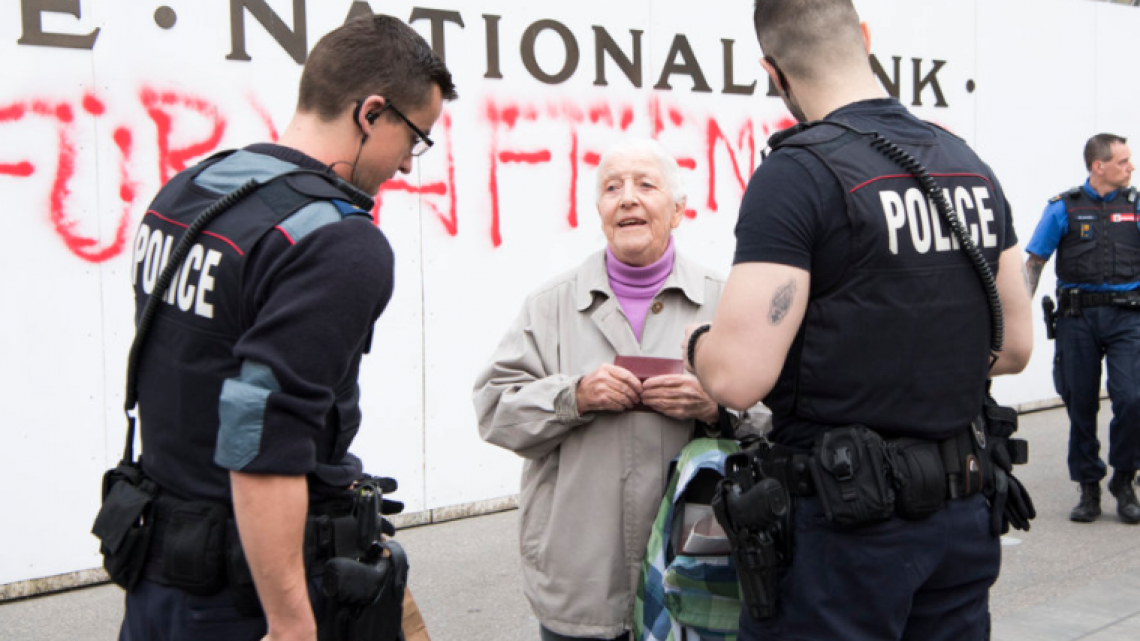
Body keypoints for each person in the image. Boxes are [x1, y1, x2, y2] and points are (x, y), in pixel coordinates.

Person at [681, 1, 1034, 640]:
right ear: (865, 39)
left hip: (845, 535)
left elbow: (736, 379)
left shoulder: (797, 173)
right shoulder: (967, 164)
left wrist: (697, 345)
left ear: (772, 71)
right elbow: (1013, 348)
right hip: (960, 516)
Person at [117, 15, 456, 641]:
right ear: (370, 113)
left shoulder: (189, 190)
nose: (409, 165)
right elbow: (264, 435)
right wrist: (292, 622)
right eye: (414, 138)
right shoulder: (341, 240)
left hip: (159, 567)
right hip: (251, 592)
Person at [473, 138, 767, 641]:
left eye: (645, 184)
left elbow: (779, 413)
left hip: (698, 571)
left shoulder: (726, 301)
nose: (627, 197)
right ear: (601, 212)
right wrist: (574, 396)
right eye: (612, 187)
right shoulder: (550, 306)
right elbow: (495, 409)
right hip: (580, 578)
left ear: (677, 211)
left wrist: (717, 408)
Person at [1024, 133, 1140, 525]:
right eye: (1123, 161)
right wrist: (1019, 310)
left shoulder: (1136, 205)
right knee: (1080, 404)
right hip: (1078, 320)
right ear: (1098, 166)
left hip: (1128, 318)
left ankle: (1124, 481)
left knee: (1132, 399)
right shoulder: (1064, 208)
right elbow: (1035, 261)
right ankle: (1088, 487)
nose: (1131, 167)